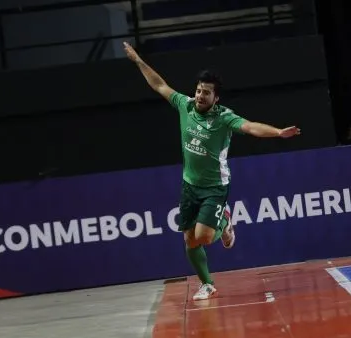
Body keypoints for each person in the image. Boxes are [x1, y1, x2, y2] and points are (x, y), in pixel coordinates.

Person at [123, 41, 301, 301]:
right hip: (189, 185)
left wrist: (278, 132)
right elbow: (159, 85)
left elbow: (250, 127)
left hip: (215, 187)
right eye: (198, 90)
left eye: (206, 93)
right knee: (189, 239)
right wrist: (138, 60)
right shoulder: (185, 105)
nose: (200, 96)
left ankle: (225, 221)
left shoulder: (224, 117)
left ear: (216, 98)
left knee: (204, 237)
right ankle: (207, 284)